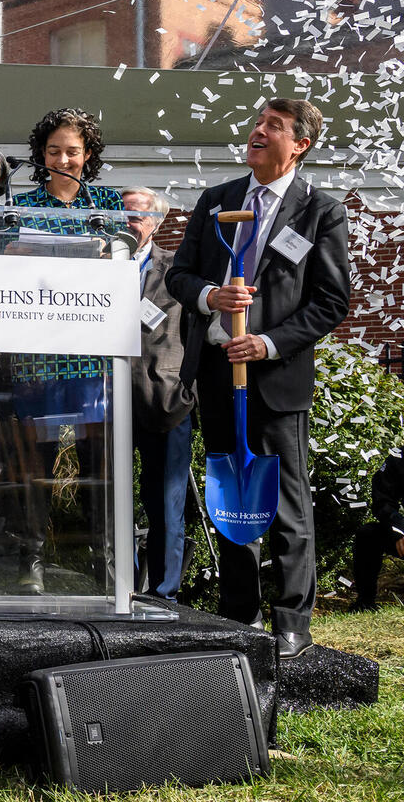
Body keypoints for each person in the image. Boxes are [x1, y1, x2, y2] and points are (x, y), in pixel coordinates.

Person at [167, 97, 350, 659]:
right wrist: (208, 295)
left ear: (300, 145)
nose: (259, 131)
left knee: (287, 501)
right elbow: (180, 274)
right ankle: (238, 612)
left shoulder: (319, 210)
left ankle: (292, 619)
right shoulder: (216, 200)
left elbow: (330, 301)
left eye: (275, 127)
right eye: (257, 123)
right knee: (231, 496)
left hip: (275, 379)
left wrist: (268, 342)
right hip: (220, 374)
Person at [7, 109, 123, 594]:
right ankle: (32, 556)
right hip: (36, 351)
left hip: (94, 353)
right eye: (53, 151)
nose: (62, 159)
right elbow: (2, 262)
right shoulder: (19, 205)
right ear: (41, 156)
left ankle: (106, 560)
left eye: (72, 151)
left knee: (99, 460)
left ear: (88, 155)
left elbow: (125, 256)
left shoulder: (108, 202)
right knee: (36, 462)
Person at [120, 185, 195, 600]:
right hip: (110, 400)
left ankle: (165, 591)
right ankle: (124, 587)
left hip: (165, 400)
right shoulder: (99, 265)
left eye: (137, 214)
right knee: (115, 502)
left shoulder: (177, 269)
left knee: (165, 502)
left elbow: (199, 330)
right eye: (123, 214)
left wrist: (189, 391)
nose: (129, 221)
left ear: (157, 221)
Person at [352, 450, 404, 611]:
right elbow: (383, 502)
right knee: (367, 534)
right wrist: (399, 531)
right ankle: (365, 602)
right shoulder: (398, 458)